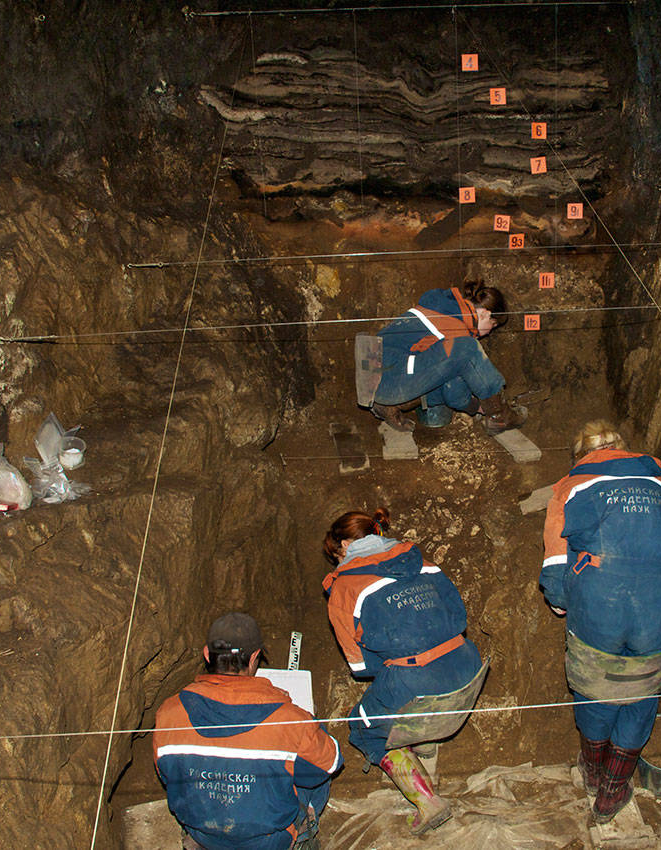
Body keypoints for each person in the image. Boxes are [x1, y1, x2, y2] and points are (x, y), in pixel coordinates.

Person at [539, 421, 661, 824]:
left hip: (601, 599)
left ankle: (592, 770)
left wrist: (561, 601)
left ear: (582, 456)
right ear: (624, 450)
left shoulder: (569, 487)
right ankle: (612, 789)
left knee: (595, 684)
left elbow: (555, 566)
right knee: (642, 687)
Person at [321, 507, 483, 834]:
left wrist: (399, 657)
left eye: (335, 554)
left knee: (363, 726)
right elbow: (459, 619)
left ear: (344, 548)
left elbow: (360, 667)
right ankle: (426, 747)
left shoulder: (343, 588)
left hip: (416, 680)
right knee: (414, 689)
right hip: (469, 664)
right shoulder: (422, 562)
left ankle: (428, 802)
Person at [154, 613, 343, 850]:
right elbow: (331, 763)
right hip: (269, 841)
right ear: (255, 657)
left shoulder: (169, 712)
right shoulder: (288, 721)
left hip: (203, 833)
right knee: (312, 758)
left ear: (206, 653)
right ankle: (302, 833)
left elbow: (167, 775)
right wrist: (304, 721)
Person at [370, 278, 526, 435]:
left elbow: (449, 386)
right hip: (391, 377)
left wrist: (476, 407)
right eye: (492, 325)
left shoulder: (445, 307)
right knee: (468, 348)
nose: (489, 332)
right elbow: (455, 390)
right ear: (485, 314)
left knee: (449, 364)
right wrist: (485, 406)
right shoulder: (455, 327)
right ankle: (500, 415)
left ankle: (388, 407)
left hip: (377, 375)